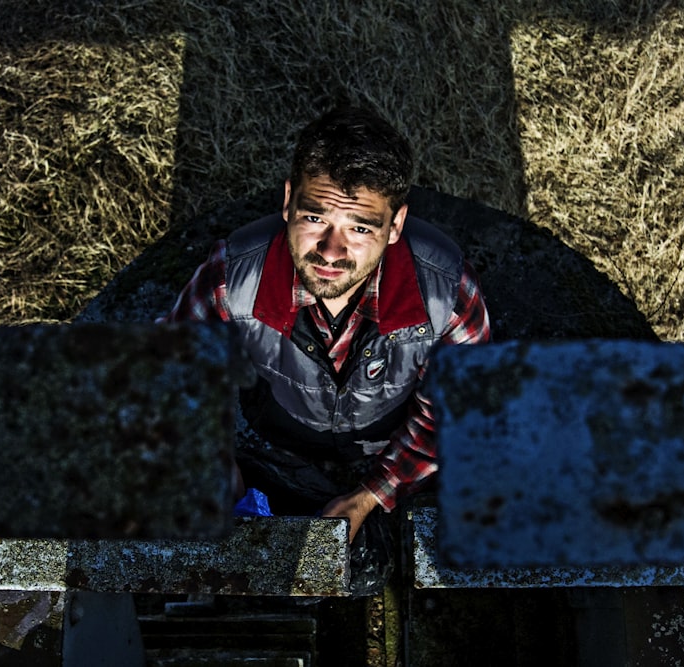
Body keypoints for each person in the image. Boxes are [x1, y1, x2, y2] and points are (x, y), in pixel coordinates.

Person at [159, 105, 490, 593]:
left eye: (360, 227)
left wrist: (369, 497)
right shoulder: (230, 280)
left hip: (388, 444)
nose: (332, 252)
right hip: (276, 441)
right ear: (289, 201)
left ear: (396, 224)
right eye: (316, 217)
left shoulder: (449, 295)